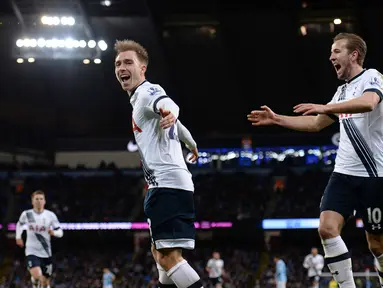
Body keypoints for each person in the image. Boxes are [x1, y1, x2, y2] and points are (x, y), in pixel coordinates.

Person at [248, 32, 383, 288]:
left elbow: (369, 103)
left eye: (336, 51)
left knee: (377, 245)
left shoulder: (372, 77)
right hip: (343, 173)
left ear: (353, 54)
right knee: (327, 229)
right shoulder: (341, 92)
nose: (331, 56)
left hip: (375, 176)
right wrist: (278, 119)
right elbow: (315, 123)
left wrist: (325, 107)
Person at [114, 39, 203, 288]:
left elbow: (166, 103)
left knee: (167, 257)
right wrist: (191, 143)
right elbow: (176, 123)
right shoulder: (138, 99)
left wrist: (172, 111)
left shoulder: (146, 92)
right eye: (118, 63)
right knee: (158, 253)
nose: (122, 67)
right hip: (168, 184)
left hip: (167, 185)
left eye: (128, 62)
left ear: (142, 68)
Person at [16, 190, 63, 288]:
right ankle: (35, 279)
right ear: (32, 201)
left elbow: (60, 232)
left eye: (41, 199)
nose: (39, 201)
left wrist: (53, 232)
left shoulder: (50, 215)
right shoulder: (27, 214)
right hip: (31, 251)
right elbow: (19, 225)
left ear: (44, 201)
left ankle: (35, 282)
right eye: (36, 199)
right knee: (39, 276)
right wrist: (18, 237)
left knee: (45, 282)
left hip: (46, 252)